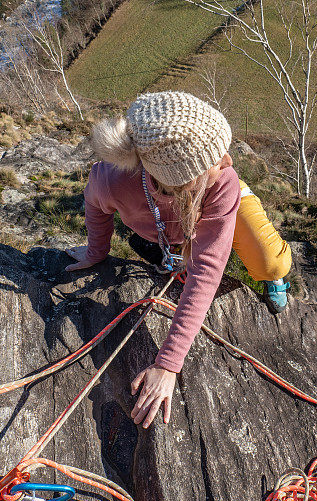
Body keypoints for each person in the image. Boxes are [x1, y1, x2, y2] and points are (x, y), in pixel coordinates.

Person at [64, 90, 291, 429]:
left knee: (269, 263)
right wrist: (96, 252)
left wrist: (168, 363)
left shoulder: (223, 177)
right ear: (178, 176)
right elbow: (95, 206)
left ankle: (273, 275)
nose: (229, 160)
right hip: (167, 219)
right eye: (216, 157)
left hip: (215, 197)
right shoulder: (110, 180)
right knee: (174, 249)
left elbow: (208, 270)